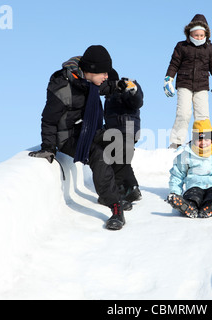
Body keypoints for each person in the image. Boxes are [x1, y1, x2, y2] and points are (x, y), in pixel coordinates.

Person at [28, 45, 128, 231]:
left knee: (116, 140)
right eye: (103, 73)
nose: (107, 76)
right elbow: (48, 120)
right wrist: (48, 147)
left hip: (85, 129)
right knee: (98, 155)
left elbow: (103, 86)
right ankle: (115, 206)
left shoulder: (89, 80)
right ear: (90, 70)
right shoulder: (62, 87)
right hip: (67, 137)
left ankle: (121, 188)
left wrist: (117, 86)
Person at [164, 14, 212, 149]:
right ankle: (176, 142)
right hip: (184, 84)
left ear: (206, 35)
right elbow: (174, 64)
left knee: (202, 115)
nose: (198, 38)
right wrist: (168, 79)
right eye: (196, 35)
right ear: (189, 33)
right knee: (183, 113)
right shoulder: (182, 46)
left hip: (202, 86)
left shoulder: (210, 48)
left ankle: (202, 143)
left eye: (201, 35)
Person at [97, 68, 144, 205]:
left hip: (126, 128)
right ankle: (131, 188)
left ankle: (115, 190)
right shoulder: (109, 96)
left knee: (119, 158)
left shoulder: (124, 87)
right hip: (118, 130)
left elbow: (137, 101)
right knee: (121, 158)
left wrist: (133, 90)